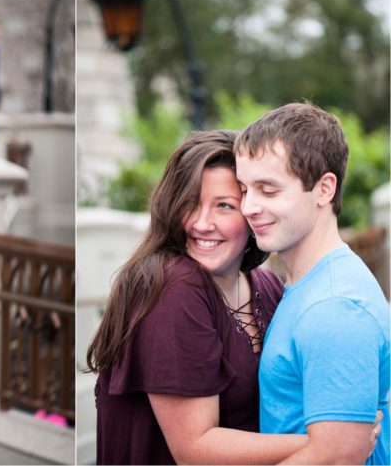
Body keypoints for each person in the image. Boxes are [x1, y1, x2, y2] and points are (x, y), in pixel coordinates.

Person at [87, 130, 311, 464]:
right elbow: (195, 450)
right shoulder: (172, 287)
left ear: (251, 211)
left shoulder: (268, 287)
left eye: (224, 206)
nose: (202, 223)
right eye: (191, 203)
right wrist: (329, 443)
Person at [234, 102, 390, 465]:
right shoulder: (310, 285)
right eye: (244, 189)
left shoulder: (335, 307)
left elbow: (337, 460)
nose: (249, 207)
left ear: (324, 189)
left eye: (268, 190)